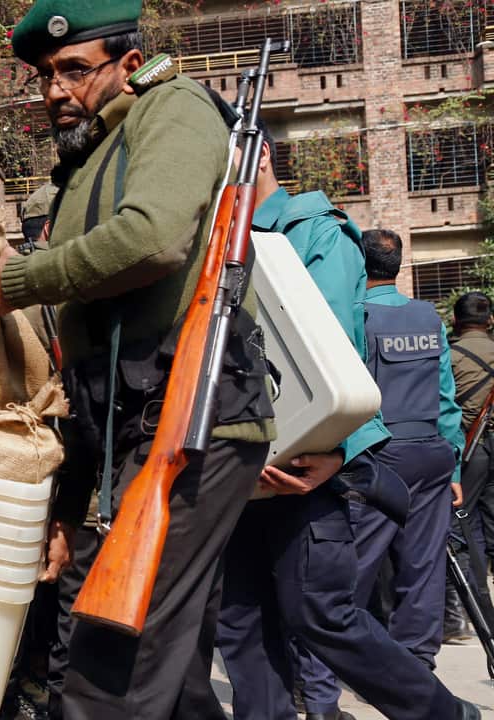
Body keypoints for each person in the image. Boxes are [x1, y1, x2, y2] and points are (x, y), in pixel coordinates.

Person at [0, 1, 278, 716]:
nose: (55, 91)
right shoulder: (91, 156)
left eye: (73, 70)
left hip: (190, 418)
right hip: (127, 425)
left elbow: (154, 238)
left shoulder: (172, 106)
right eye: (44, 76)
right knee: (175, 680)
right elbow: (84, 352)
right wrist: (68, 509)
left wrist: (19, 281)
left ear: (129, 64)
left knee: (108, 669)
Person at [215, 127, 480, 720]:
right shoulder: (214, 239)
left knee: (321, 612)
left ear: (258, 153)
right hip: (238, 464)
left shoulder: (315, 234)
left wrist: (337, 452)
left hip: (310, 464)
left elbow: (333, 357)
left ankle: (443, 714)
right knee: (241, 622)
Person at [296, 228, 468, 714]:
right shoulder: (428, 316)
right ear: (398, 265)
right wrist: (454, 464)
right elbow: (446, 396)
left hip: (377, 454)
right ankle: (416, 677)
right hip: (431, 453)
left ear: (357, 263)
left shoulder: (356, 316)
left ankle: (320, 689)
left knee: (347, 575)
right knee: (423, 569)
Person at [445, 290, 494, 642]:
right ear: (490, 320)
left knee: (463, 527)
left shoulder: (449, 355)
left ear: (455, 321)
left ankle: (471, 613)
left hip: (470, 451)